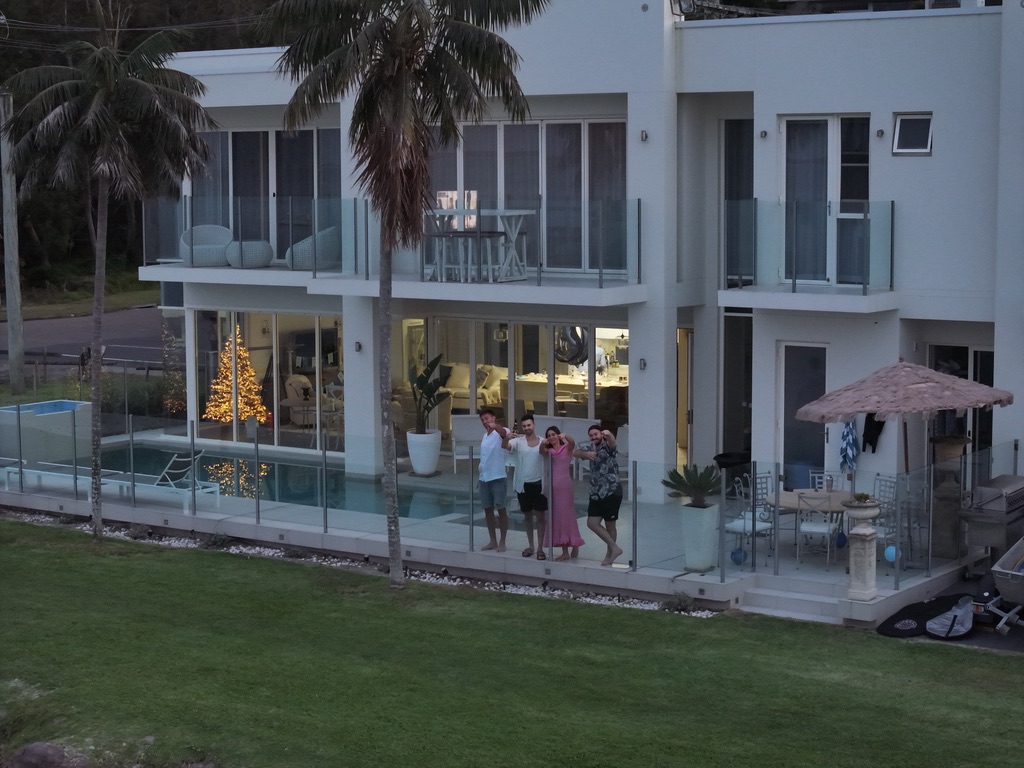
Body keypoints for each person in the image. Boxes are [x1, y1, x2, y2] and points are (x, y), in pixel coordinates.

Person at [573, 424, 623, 566]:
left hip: (611, 491)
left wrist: (609, 434)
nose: (594, 437)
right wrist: (584, 454)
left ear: (601, 434)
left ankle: (609, 555)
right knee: (592, 523)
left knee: (610, 525)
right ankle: (615, 548)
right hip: (595, 493)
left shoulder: (608, 447)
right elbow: (574, 452)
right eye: (591, 435)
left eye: (596, 434)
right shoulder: (590, 447)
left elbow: (613, 442)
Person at [503, 413, 548, 560]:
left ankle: (540, 548)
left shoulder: (543, 441)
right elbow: (505, 446)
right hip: (523, 485)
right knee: (527, 516)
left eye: (529, 425)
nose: (527, 428)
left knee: (540, 517)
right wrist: (506, 437)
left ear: (534, 425)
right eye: (524, 426)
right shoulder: (519, 442)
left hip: (539, 485)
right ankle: (531, 546)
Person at [540, 426, 584, 561]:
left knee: (567, 516)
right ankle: (565, 548)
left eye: (554, 434)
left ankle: (574, 542)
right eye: (549, 435)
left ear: (558, 435)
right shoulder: (550, 451)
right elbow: (541, 450)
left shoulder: (567, 449)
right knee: (557, 517)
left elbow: (572, 443)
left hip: (565, 487)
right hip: (553, 487)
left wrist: (565, 436)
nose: (551, 437)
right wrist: (544, 442)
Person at [478, 408, 513, 552]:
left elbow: (505, 434)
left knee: (501, 508)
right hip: (484, 477)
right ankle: (492, 540)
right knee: (487, 509)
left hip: (497, 476)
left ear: (493, 418)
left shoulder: (501, 431)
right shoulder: (484, 436)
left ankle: (502, 540)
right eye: (482, 420)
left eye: (487, 418)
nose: (485, 422)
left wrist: (495, 427)